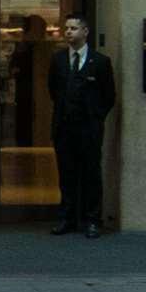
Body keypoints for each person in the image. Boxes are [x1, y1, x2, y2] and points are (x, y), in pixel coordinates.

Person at [49, 15, 118, 238]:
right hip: (64, 127)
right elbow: (53, 90)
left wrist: (96, 117)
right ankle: (66, 218)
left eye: (74, 28)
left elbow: (109, 96)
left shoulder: (100, 62)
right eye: (66, 28)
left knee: (91, 173)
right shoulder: (58, 60)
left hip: (89, 128)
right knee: (66, 174)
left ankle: (92, 219)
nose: (68, 32)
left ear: (85, 31)